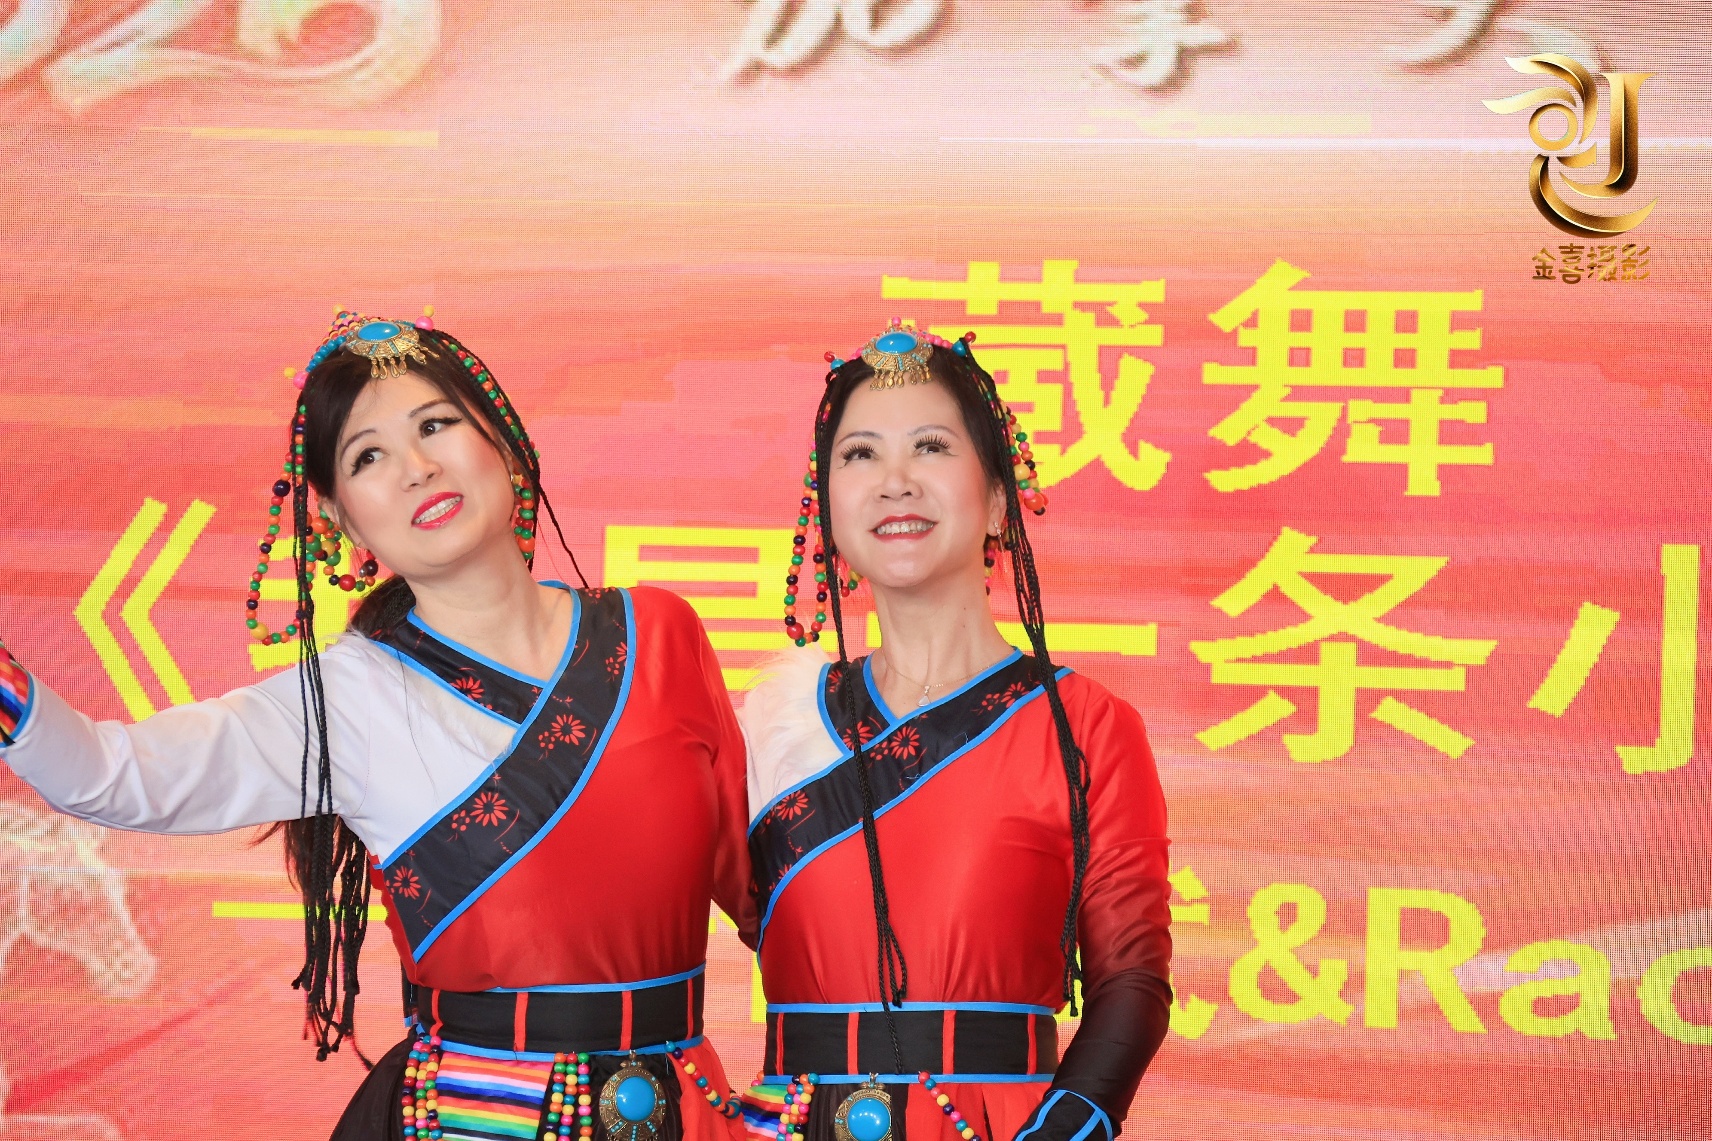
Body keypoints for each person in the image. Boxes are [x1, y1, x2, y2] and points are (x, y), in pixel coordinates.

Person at [0, 311, 756, 1141]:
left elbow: (760, 891)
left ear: (503, 444)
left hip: (684, 1107)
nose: (417, 468)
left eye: (435, 425)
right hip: (477, 1117)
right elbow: (107, 774)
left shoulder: (658, 633)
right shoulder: (347, 700)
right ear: (340, 520)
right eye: (369, 456)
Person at [737, 323, 1172, 1141]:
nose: (894, 481)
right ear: (827, 507)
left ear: (999, 496)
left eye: (930, 447)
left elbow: (1132, 984)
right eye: (860, 455)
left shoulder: (1084, 726)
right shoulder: (771, 724)